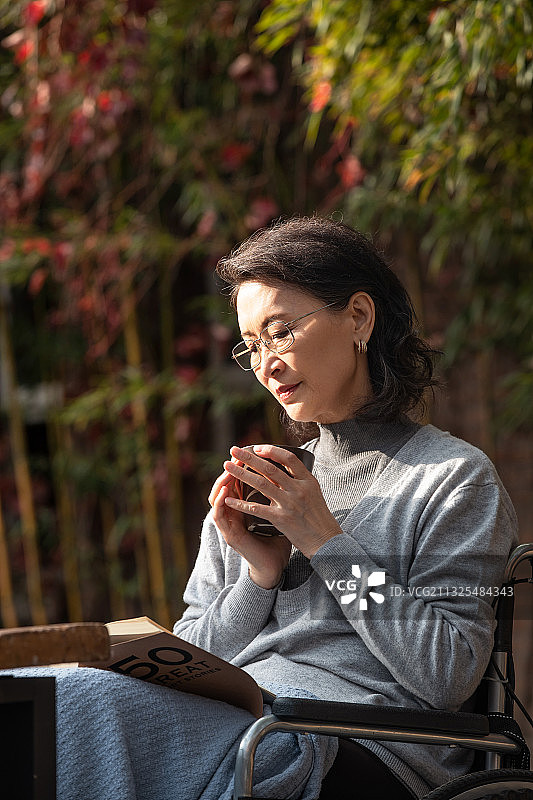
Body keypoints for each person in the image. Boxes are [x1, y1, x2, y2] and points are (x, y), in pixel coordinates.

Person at [8, 216, 517, 800]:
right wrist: (258, 576)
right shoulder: (263, 486)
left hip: (355, 743)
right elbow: (195, 653)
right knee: (33, 690)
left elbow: (448, 674)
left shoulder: (453, 479)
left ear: (359, 316)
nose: (266, 364)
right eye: (252, 346)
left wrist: (326, 542)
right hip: (245, 724)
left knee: (81, 704)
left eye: (280, 332)